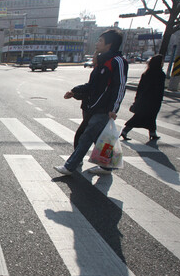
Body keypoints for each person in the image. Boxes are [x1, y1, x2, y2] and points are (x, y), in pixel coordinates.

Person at [54, 29, 128, 176]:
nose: (97, 43)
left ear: (109, 44)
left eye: (100, 41)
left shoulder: (117, 62)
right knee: (98, 137)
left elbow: (120, 86)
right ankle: (107, 167)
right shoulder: (102, 62)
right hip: (92, 107)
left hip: (104, 109)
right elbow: (93, 86)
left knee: (86, 136)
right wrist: (75, 92)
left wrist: (114, 108)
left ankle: (70, 166)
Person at [120, 54, 165, 141]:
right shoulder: (160, 74)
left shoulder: (146, 73)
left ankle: (152, 133)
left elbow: (140, 88)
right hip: (154, 101)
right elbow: (160, 89)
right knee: (145, 117)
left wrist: (137, 99)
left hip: (143, 99)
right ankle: (125, 131)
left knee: (145, 117)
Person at [72, 52, 98, 150]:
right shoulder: (97, 69)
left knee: (81, 135)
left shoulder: (102, 70)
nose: (93, 58)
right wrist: (76, 93)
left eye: (95, 56)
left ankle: (75, 161)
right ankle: (106, 160)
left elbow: (92, 88)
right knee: (95, 135)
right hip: (90, 107)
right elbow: (91, 88)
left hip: (94, 108)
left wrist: (75, 90)